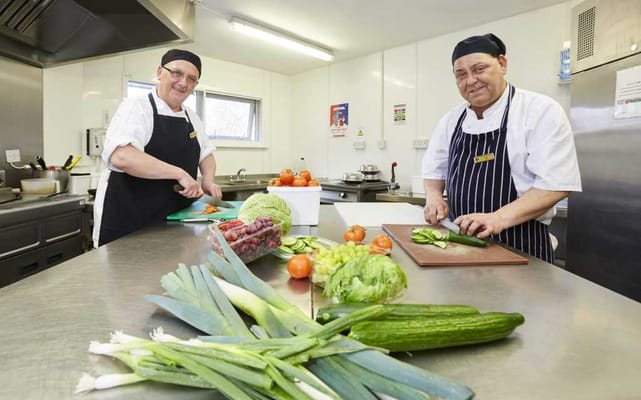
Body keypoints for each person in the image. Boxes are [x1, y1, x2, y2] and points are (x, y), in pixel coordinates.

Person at [421, 33, 581, 263]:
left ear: (502, 64)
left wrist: (496, 219)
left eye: (479, 69)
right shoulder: (451, 120)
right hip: (460, 243)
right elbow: (435, 169)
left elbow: (555, 185)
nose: (471, 80)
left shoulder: (539, 110)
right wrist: (434, 196)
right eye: (461, 74)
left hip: (523, 246)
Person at [93, 49, 221, 247]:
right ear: (160, 72)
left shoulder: (191, 116)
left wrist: (208, 180)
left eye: (191, 79)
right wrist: (179, 173)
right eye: (176, 73)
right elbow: (122, 157)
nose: (183, 83)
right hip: (130, 220)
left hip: (172, 221)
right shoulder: (136, 107)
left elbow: (206, 153)